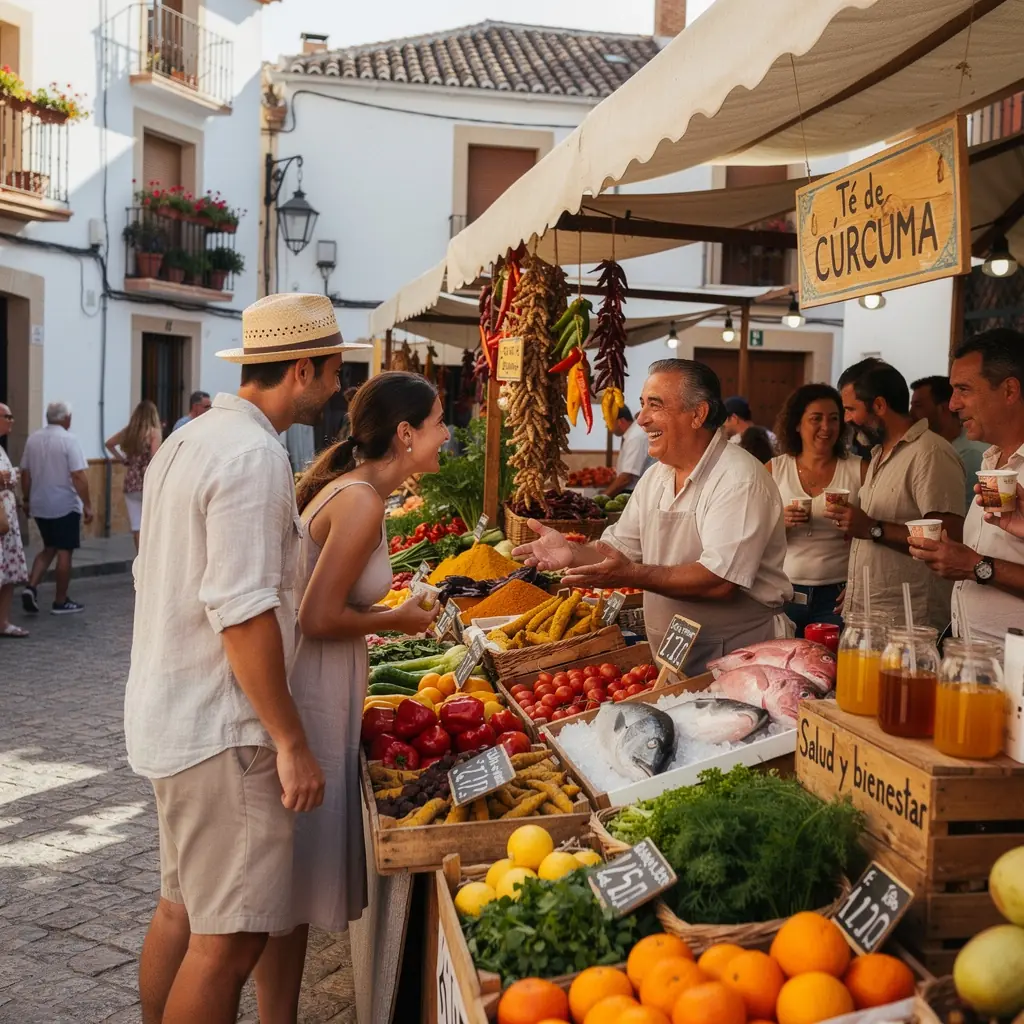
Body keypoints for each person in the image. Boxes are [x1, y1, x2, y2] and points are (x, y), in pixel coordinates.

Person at [125, 293, 353, 1024]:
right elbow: (244, 612)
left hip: (171, 715)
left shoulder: (188, 440)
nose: (337, 389)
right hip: (224, 731)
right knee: (231, 941)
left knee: (182, 913)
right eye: (333, 373)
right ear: (303, 369)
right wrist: (291, 741)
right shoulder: (254, 455)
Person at [253, 372, 444, 1022]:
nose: (447, 434)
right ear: (406, 434)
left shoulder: (354, 489)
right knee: (290, 887)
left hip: (325, 680)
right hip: (315, 685)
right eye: (440, 422)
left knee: (295, 890)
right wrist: (398, 621)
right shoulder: (361, 500)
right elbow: (316, 616)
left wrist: (385, 608)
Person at [513, 359, 792, 672]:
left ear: (698, 414)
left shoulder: (738, 479)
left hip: (741, 658)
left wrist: (633, 574)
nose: (642, 420)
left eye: (655, 406)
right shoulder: (656, 477)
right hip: (677, 653)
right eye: (642, 405)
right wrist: (573, 551)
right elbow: (618, 549)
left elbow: (720, 582)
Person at [828, 361, 965, 632]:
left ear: (879, 405)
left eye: (851, 409)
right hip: (872, 615)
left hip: (909, 626)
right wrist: (857, 588)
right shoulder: (880, 452)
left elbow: (947, 537)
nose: (846, 419)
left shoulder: (930, 453)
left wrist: (870, 528)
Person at [908, 329, 1024, 644]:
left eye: (964, 389)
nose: (954, 404)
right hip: (972, 654)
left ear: (1010, 390)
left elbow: (980, 565)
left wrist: (976, 566)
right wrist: (953, 554)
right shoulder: (991, 462)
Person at [768, 384, 865, 636]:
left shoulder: (859, 469)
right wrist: (780, 524)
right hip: (784, 593)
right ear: (798, 424)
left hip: (838, 596)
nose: (826, 427)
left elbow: (874, 532)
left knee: (832, 669)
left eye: (834, 419)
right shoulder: (774, 469)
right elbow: (750, 535)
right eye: (816, 419)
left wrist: (858, 583)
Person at [20, 401, 93, 616]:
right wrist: (87, 504)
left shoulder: (33, 439)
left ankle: (30, 587)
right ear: (66, 418)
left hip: (41, 503)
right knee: (64, 552)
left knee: (49, 547)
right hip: (65, 504)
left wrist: (26, 499)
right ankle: (60, 600)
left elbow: (25, 472)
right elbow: (78, 475)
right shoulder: (69, 440)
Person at [911, 374, 988, 513]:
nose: (911, 413)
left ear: (944, 408)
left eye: (918, 406)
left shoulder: (970, 453)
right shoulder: (930, 447)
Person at [105, 400, 162, 550]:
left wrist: (123, 459)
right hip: (147, 481)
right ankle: (150, 558)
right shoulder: (153, 432)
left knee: (137, 525)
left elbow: (109, 443)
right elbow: (155, 457)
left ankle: (139, 557)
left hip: (131, 482)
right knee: (151, 523)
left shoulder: (129, 431)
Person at [0, 403, 29, 637]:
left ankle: (3, 621)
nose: (12, 421)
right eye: (7, 416)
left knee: (8, 573)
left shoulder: (1, 449)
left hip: (6, 519)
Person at [603, 406, 652, 497]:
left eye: (608, 421)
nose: (606, 425)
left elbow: (626, 477)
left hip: (636, 494)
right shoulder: (632, 435)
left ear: (620, 421)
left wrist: (602, 498)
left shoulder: (635, 437)